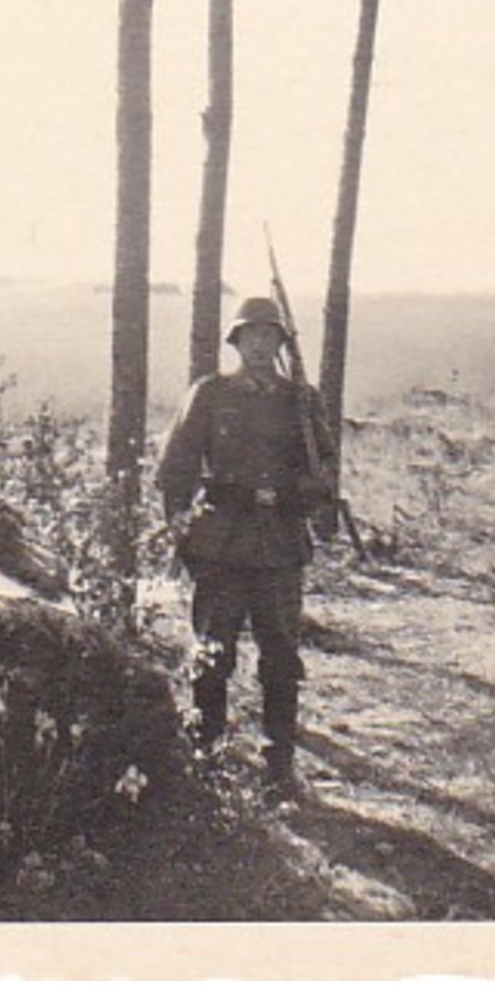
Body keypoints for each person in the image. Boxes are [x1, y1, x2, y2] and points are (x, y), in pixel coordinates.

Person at [155, 295, 336, 798]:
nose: (260, 345)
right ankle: (206, 749)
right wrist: (180, 530)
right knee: (214, 651)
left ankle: (278, 759)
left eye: (269, 337)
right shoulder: (210, 394)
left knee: (281, 653)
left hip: (279, 544)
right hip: (221, 543)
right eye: (250, 337)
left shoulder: (302, 402)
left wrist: (291, 495)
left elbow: (324, 475)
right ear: (236, 343)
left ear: (280, 343)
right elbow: (176, 469)